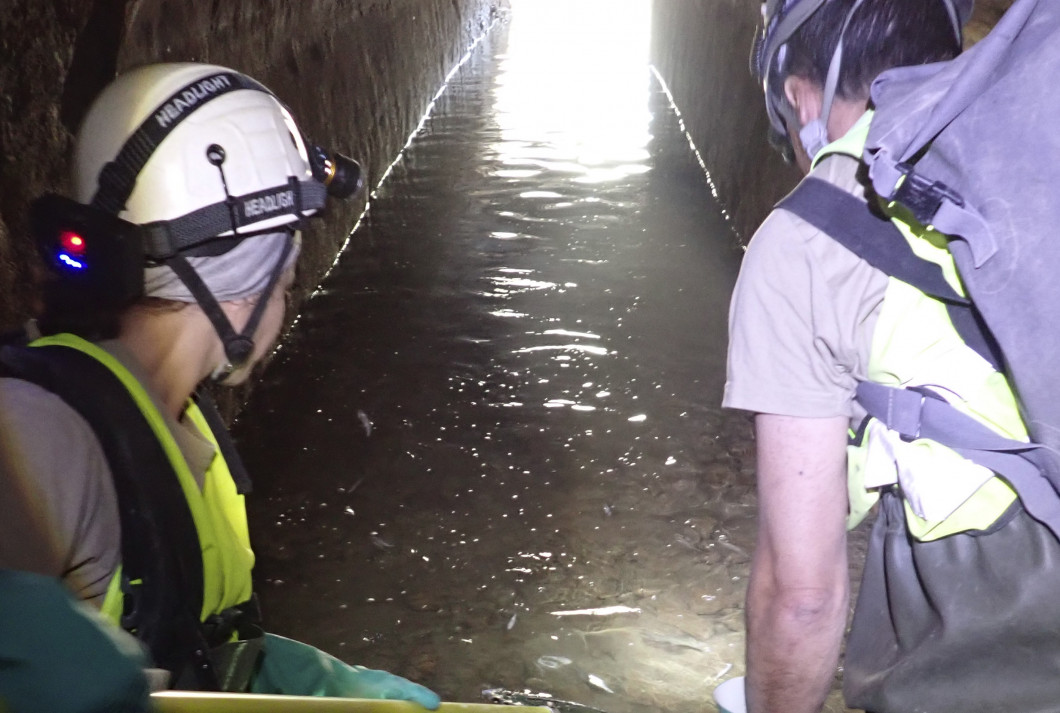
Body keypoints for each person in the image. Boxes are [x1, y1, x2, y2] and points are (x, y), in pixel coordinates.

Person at [0, 62, 439, 708]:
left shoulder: (177, 414)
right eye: (284, 284)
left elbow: (201, 642)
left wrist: (308, 685)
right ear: (239, 292)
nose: (283, 306)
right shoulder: (44, 427)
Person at [724, 1, 1059, 711]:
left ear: (798, 96)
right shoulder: (1039, 139)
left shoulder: (807, 242)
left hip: (996, 641)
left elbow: (803, 597)